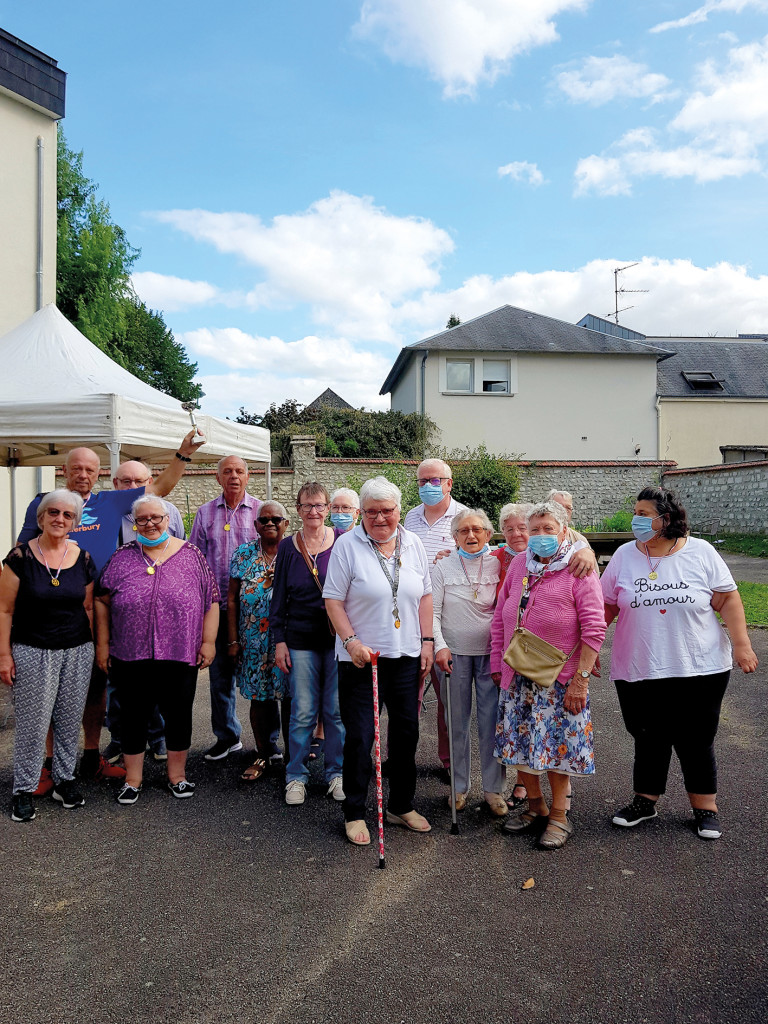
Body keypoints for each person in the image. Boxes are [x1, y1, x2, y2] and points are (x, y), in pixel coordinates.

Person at [17, 430, 203, 787]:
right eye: (77, 469)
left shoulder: (109, 502)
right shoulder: (46, 502)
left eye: (90, 469)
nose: (83, 475)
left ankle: (90, 757)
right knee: (50, 694)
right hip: (55, 614)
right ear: (64, 470)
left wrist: (182, 453)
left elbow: (159, 489)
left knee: (94, 689)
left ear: (99, 473)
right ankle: (49, 764)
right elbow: (22, 551)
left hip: (99, 611)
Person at [601, 486, 758, 841]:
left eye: (644, 513)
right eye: (636, 512)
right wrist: (591, 648)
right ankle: (646, 801)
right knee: (647, 735)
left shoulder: (700, 552)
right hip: (639, 665)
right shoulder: (625, 556)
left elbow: (728, 599)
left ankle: (705, 808)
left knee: (696, 738)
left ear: (665, 518)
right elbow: (606, 606)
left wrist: (742, 645)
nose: (636, 519)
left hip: (699, 665)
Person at [490, 501, 606, 850]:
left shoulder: (579, 569)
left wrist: (581, 679)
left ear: (565, 530)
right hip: (518, 674)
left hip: (560, 679)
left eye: (548, 529)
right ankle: (536, 807)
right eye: (534, 529)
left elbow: (594, 629)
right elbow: (501, 615)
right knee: (520, 746)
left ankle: (558, 815)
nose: (539, 536)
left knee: (556, 749)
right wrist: (498, 663)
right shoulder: (519, 566)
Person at [325, 477, 434, 846]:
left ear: (398, 511)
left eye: (386, 511)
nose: (379, 518)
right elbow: (333, 601)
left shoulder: (414, 542)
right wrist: (351, 641)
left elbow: (425, 597)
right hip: (361, 660)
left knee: (406, 734)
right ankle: (355, 811)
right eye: (371, 511)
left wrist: (429, 641)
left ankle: (400, 804)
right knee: (360, 737)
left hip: (406, 655)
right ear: (362, 513)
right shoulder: (347, 545)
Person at [95, 495, 219, 805]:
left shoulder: (192, 555)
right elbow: (101, 599)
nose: (150, 524)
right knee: (132, 717)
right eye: (142, 519)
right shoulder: (122, 557)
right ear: (134, 523)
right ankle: (133, 779)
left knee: (178, 715)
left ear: (169, 520)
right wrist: (103, 644)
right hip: (129, 653)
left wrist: (208, 641)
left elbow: (211, 600)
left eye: (156, 518)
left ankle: (177, 776)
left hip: (180, 652)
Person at [0, 490, 95, 822]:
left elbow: (87, 605)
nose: (60, 519)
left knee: (69, 720)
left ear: (75, 522)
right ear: (40, 518)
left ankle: (64, 780)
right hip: (32, 649)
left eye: (68, 515)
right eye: (53, 512)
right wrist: (4, 655)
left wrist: (97, 648)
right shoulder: (19, 557)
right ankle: (23, 789)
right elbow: (4, 609)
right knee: (33, 723)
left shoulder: (81, 557)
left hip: (77, 650)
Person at [103, 460, 187, 766]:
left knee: (157, 674)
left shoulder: (168, 511)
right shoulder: (106, 514)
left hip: (161, 608)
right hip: (120, 608)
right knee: (122, 680)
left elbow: (179, 552)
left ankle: (158, 736)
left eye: (138, 481)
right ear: (114, 484)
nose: (132, 487)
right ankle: (120, 737)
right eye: (125, 482)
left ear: (150, 481)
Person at [272, 482, 345, 806]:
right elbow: (279, 597)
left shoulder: (343, 542)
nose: (313, 512)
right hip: (299, 639)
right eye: (307, 506)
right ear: (298, 510)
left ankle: (336, 774)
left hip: (336, 641)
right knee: (302, 712)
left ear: (327, 509)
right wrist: (279, 641)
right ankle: (296, 776)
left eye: (319, 506)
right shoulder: (288, 547)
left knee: (335, 711)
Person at [432, 509, 506, 816]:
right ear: (454, 536)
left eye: (477, 530)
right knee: (457, 723)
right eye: (463, 531)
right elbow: (433, 613)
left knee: (492, 723)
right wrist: (440, 646)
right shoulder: (442, 565)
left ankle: (493, 790)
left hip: (491, 654)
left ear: (489, 534)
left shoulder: (501, 563)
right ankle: (458, 787)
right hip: (453, 655)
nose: (471, 536)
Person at [190, 456, 261, 762]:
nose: (234, 476)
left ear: (248, 476)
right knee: (220, 679)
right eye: (227, 472)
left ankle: (266, 743)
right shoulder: (205, 513)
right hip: (217, 609)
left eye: (239, 471)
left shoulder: (262, 511)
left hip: (255, 611)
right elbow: (195, 561)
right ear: (217, 477)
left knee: (261, 677)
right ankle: (227, 737)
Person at [403, 458, 466, 776]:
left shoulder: (464, 518)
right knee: (406, 698)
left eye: (435, 480)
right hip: (409, 617)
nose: (429, 486)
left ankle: (449, 761)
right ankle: (402, 759)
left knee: (448, 698)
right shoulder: (409, 518)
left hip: (446, 621)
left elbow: (481, 557)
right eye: (422, 481)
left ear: (449, 483)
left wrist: (455, 558)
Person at [228, 501, 290, 782]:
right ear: (255, 526)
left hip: (286, 640)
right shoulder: (242, 555)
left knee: (290, 698)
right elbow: (231, 598)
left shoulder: (295, 553)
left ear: (286, 524)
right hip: (252, 640)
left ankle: (294, 758)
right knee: (259, 698)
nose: (270, 524)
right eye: (264, 520)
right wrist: (232, 640)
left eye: (276, 519)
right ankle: (263, 753)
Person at [308, 487, 361, 761]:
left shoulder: (363, 540)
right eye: (336, 508)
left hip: (354, 626)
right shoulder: (326, 538)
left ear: (357, 512)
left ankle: (343, 739)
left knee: (344, 689)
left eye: (346, 509)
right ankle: (320, 732)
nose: (340, 514)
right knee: (324, 684)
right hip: (324, 622)